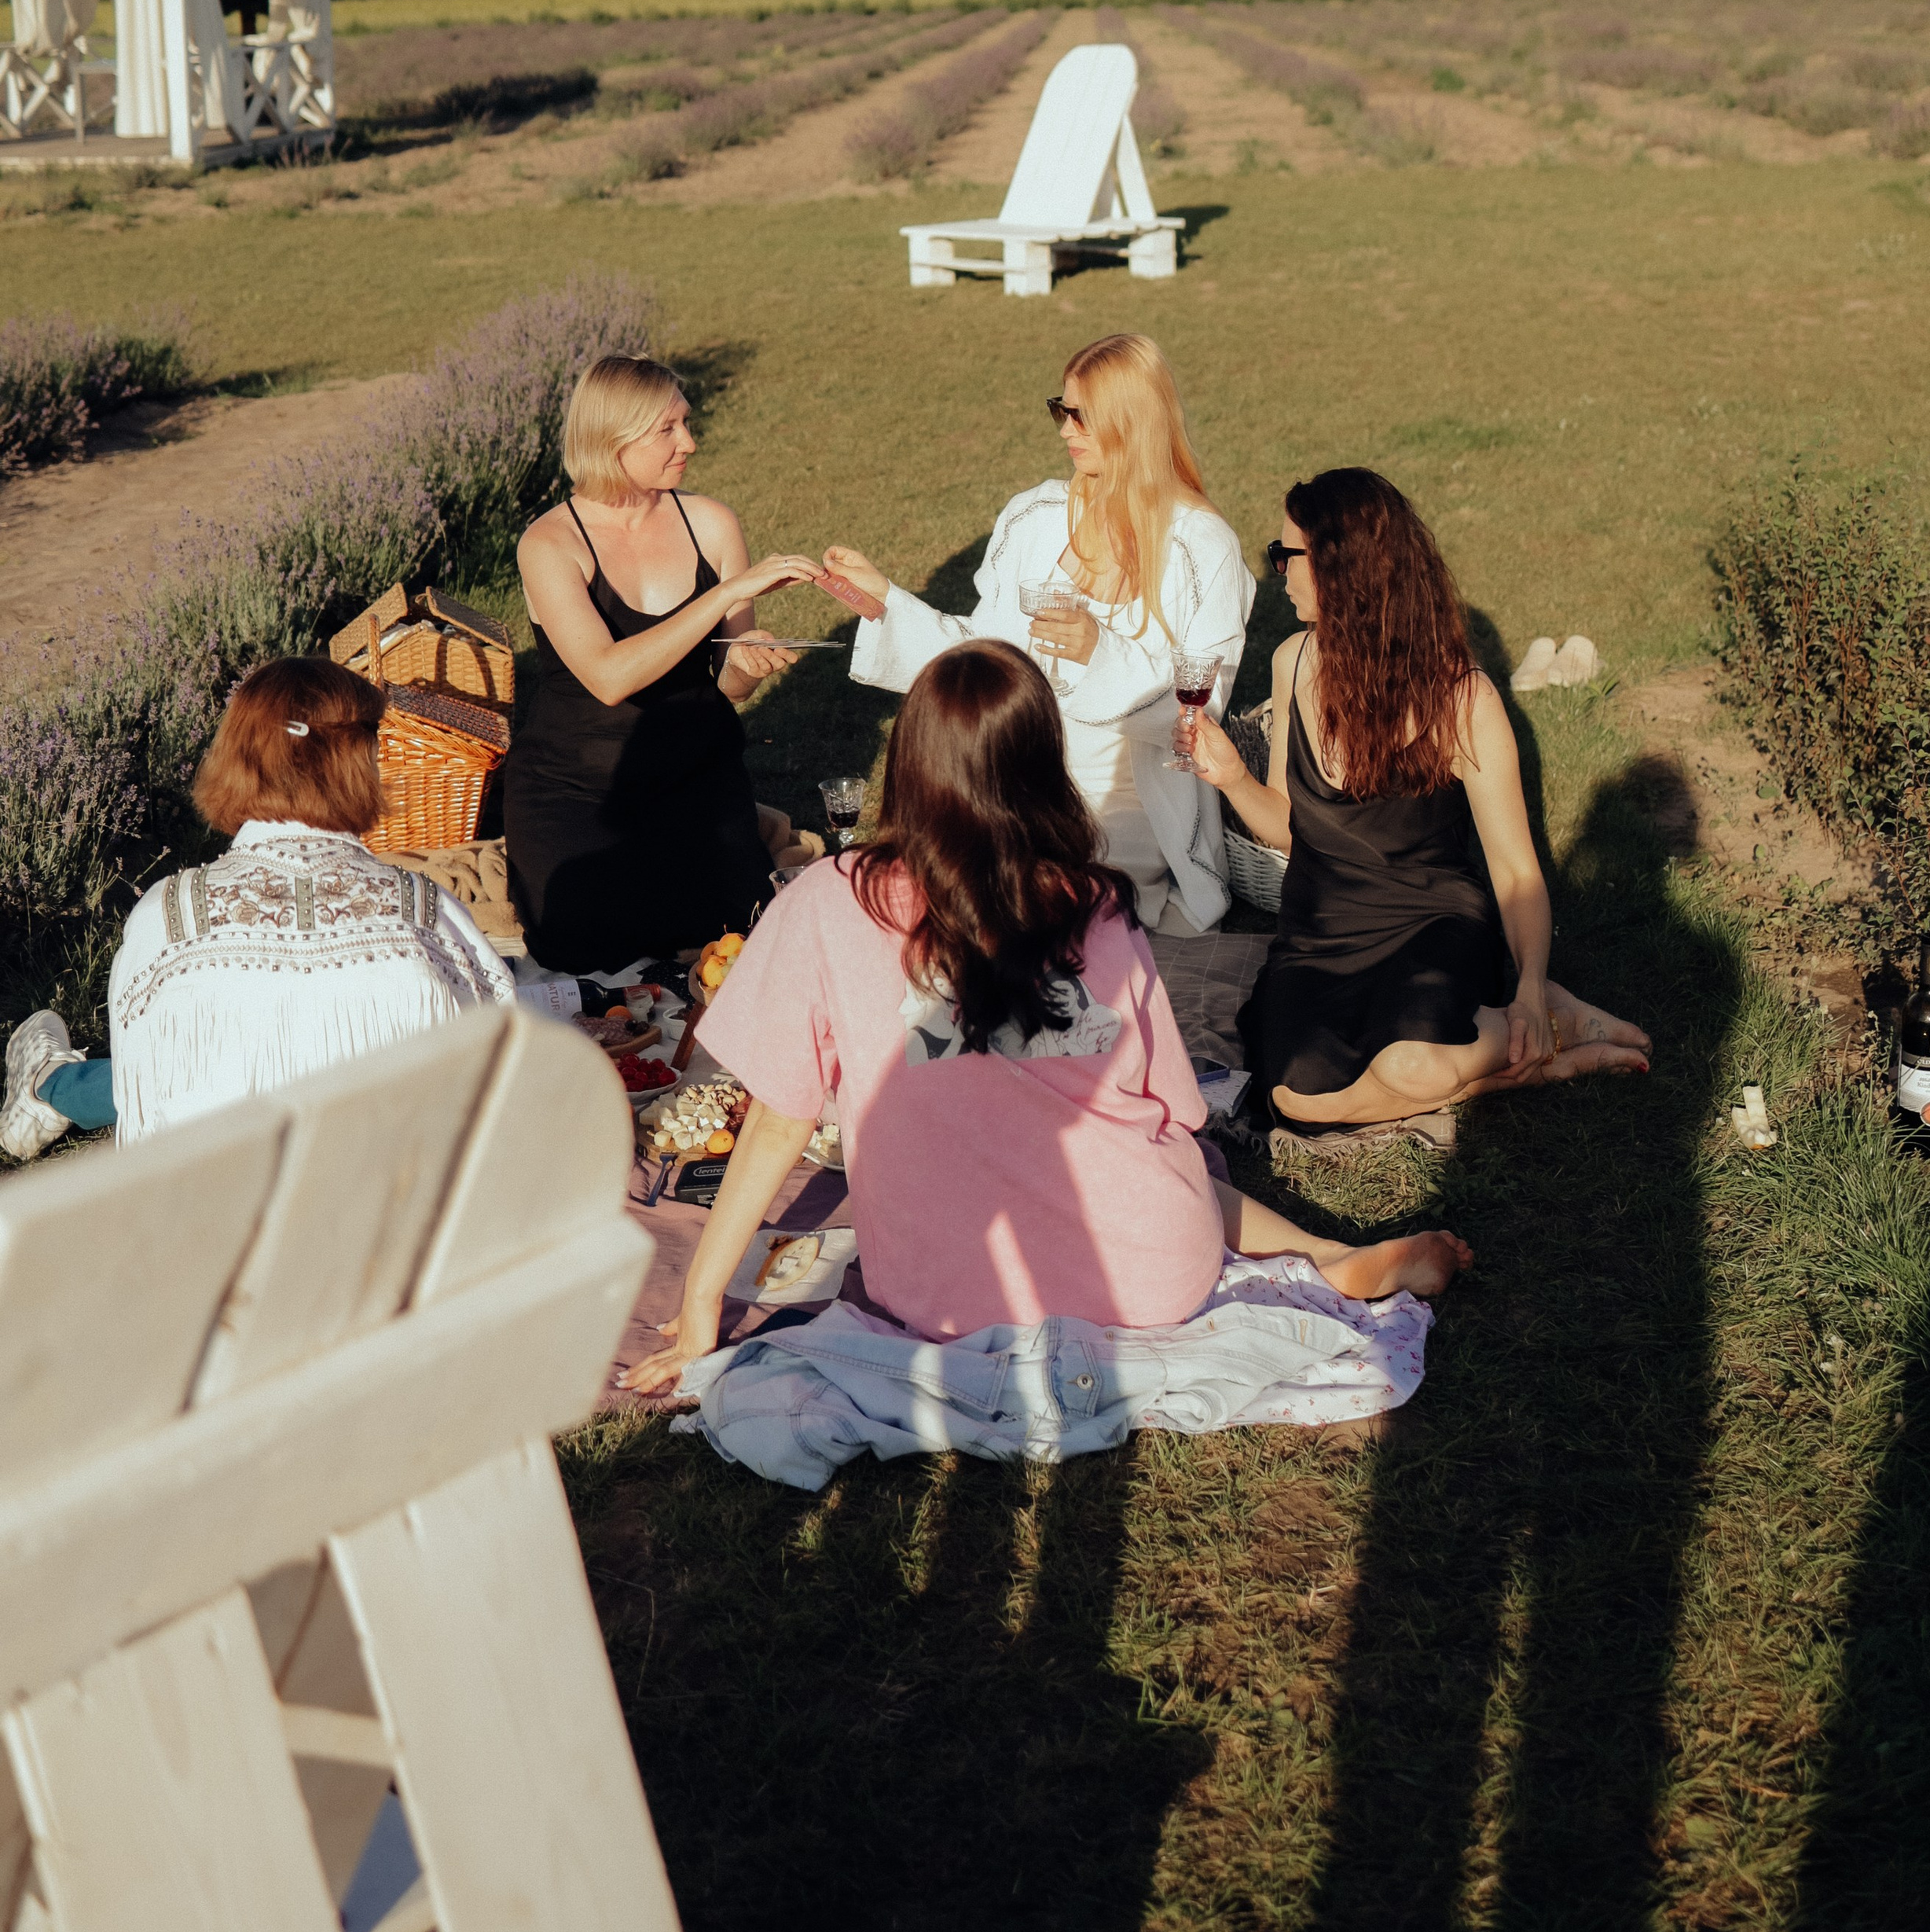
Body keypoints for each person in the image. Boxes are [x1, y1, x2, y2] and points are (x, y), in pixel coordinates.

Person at [627, 641, 1468, 1394]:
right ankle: (1327, 1258)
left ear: (908, 762)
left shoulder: (827, 900)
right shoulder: (1093, 905)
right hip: (1149, 1274)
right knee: (1173, 1160)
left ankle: (1330, 1258)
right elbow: (1171, 1111)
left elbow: (778, 1122)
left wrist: (702, 1303)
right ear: (1040, 765)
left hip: (945, 1300)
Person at [821, 334, 1255, 1050]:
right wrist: (886, 604)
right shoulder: (1035, 517)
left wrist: (1099, 652)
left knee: (1018, 910)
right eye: (1061, 408)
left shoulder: (1199, 547)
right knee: (949, 891)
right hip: (1014, 768)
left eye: (1081, 415)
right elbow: (984, 657)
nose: (1063, 430)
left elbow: (1197, 714)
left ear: (1131, 421)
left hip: (1127, 796)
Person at [1186, 469, 1650, 1135]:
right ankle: (1542, 1052)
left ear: (1342, 570)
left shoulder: (1462, 699)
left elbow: (1516, 870)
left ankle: (1538, 1014)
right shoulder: (1294, 662)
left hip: (1431, 923)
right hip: (1322, 934)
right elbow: (1292, 829)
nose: (1277, 569)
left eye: (1287, 554)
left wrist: (1525, 983)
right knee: (1294, 1098)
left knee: (1410, 1067)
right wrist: (1232, 778)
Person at [0, 657, 515, 1160]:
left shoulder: (164, 916)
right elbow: (504, 1060)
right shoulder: (424, 908)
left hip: (219, 1203)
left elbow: (146, 1095)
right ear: (360, 762)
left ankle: (52, 1088)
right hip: (394, 1198)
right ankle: (53, 1088)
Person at [507, 353, 820, 981]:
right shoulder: (550, 543)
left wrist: (748, 663)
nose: (690, 443)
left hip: (696, 782)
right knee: (587, 964)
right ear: (613, 440)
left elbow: (728, 683)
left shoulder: (711, 523)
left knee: (743, 948)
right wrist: (725, 595)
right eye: (668, 429)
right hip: (579, 793)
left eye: (686, 423)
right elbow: (609, 677)